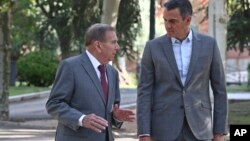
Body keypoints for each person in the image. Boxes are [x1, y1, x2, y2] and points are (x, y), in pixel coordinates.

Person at [137, 0, 228, 141]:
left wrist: (219, 131)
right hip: (163, 129)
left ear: (188, 20)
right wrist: (144, 133)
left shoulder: (209, 45)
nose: (167, 26)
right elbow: (144, 91)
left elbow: (220, 90)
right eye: (165, 20)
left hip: (200, 128)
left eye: (173, 21)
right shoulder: (152, 47)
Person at [46, 23, 135, 141]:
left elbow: (110, 111)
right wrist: (81, 119)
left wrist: (116, 117)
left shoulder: (112, 72)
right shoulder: (70, 67)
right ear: (98, 45)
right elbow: (54, 104)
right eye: (113, 42)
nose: (117, 47)